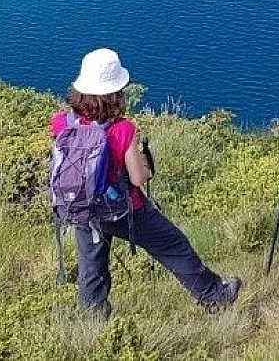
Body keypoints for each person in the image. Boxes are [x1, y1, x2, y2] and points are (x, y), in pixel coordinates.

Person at [51, 48, 242, 315]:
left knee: (91, 268)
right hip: (124, 210)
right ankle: (213, 296)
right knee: (174, 246)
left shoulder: (61, 123)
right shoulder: (122, 129)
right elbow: (139, 178)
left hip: (82, 207)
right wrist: (145, 163)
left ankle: (93, 321)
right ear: (115, 92)